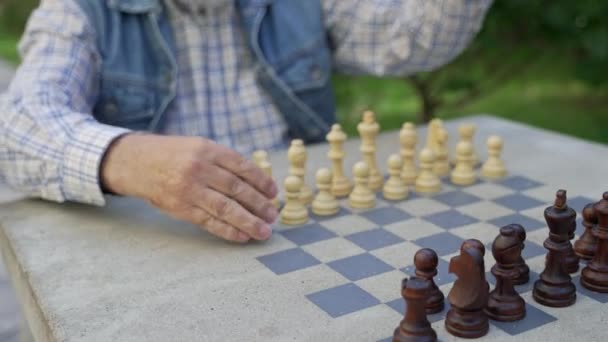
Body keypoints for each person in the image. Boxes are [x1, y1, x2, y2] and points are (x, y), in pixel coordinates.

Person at [0, 0, 493, 243]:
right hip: (161, 249)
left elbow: (415, 37)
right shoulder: (78, 10)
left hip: (306, 232)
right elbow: (16, 130)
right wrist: (124, 157)